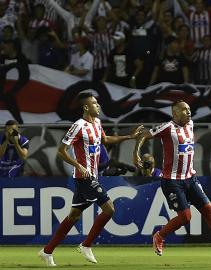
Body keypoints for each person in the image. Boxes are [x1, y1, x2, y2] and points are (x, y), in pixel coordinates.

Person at [38, 92, 142, 267]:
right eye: (94, 103)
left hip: (91, 175)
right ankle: (86, 245)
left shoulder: (97, 123)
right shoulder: (78, 126)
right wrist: (78, 165)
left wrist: (129, 137)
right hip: (84, 177)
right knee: (109, 209)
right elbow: (61, 150)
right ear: (86, 107)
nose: (98, 106)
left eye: (97, 103)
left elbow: (106, 139)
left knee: (73, 216)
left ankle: (47, 251)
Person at [134, 101, 211, 256]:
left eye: (189, 109)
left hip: (190, 178)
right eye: (184, 110)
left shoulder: (190, 124)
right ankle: (159, 236)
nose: (188, 112)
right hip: (172, 181)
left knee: (209, 211)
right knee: (185, 217)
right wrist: (135, 154)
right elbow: (144, 134)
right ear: (175, 113)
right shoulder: (167, 127)